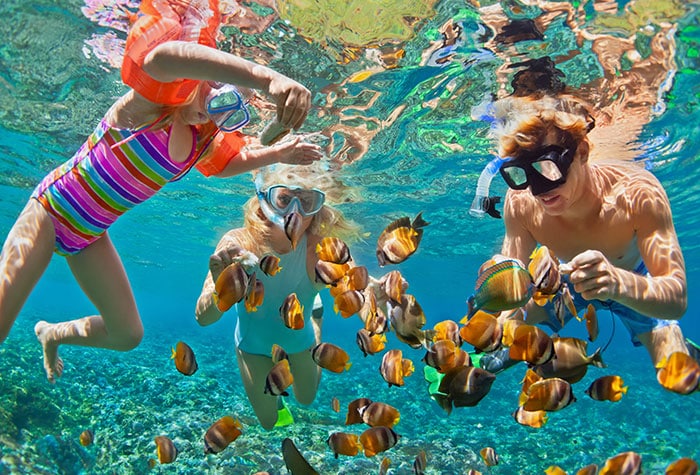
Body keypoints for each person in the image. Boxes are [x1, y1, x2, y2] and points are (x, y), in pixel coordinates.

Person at [0, 0, 323, 383]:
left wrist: (279, 153)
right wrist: (267, 79)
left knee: (127, 334)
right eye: (216, 95)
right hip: (51, 211)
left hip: (89, 236)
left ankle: (51, 334)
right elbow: (163, 57)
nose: (214, 112)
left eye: (229, 112)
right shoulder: (150, 106)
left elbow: (228, 165)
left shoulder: (200, 140)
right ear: (201, 73)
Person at [486, 93, 693, 373]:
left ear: (582, 152)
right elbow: (513, 287)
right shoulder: (520, 202)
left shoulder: (637, 193)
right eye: (520, 173)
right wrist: (501, 325)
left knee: (676, 373)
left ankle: (684, 349)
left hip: (632, 278)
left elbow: (677, 299)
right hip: (562, 282)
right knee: (500, 329)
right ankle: (529, 348)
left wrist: (618, 283)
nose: (538, 190)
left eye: (548, 167)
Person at [195, 162, 362, 430]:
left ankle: (316, 321)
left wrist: (375, 297)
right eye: (284, 199)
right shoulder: (239, 243)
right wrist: (220, 289)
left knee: (306, 399)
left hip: (300, 339)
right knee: (269, 421)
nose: (294, 212)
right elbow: (203, 318)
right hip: (253, 346)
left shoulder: (321, 247)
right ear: (264, 200)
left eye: (306, 202)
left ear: (317, 209)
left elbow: (356, 286)